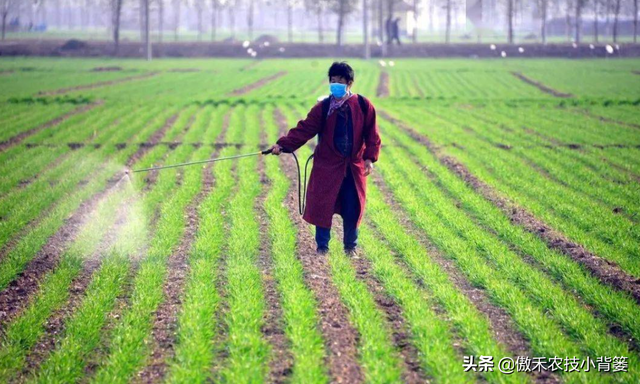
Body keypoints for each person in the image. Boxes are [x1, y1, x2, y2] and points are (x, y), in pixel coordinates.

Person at [270, 62, 381, 255]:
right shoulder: (323, 108)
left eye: (340, 81)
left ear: (350, 83)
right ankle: (322, 248)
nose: (335, 84)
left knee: (352, 207)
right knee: (322, 206)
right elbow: (304, 129)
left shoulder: (363, 105)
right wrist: (283, 145)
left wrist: (369, 158)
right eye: (332, 80)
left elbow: (372, 135)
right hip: (326, 166)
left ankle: (350, 248)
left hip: (353, 168)